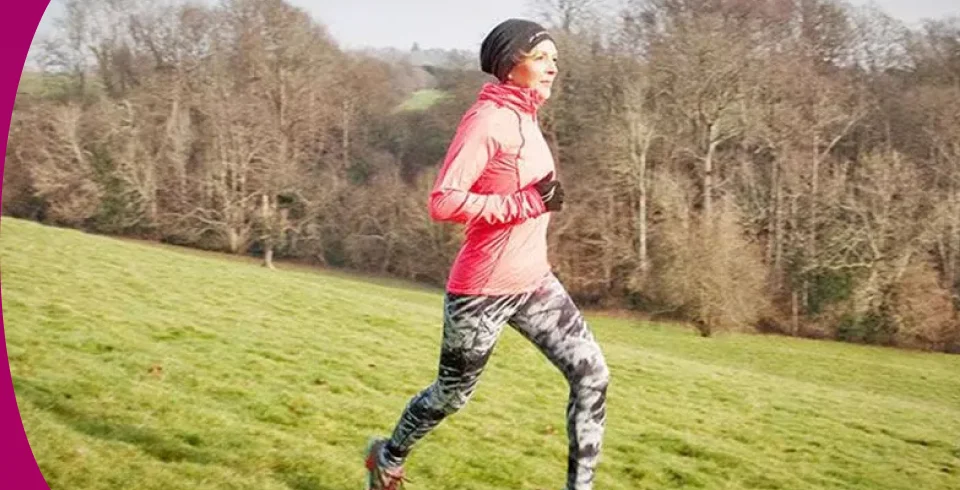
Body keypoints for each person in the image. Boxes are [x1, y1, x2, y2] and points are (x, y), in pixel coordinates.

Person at [363, 18, 610, 490]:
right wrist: (526, 202)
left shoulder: (525, 116)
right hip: (482, 291)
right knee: (451, 395)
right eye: (541, 58)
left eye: (554, 58)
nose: (552, 67)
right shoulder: (487, 121)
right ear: (509, 63)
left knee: (593, 374)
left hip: (534, 281)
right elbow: (444, 200)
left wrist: (535, 200)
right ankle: (387, 457)